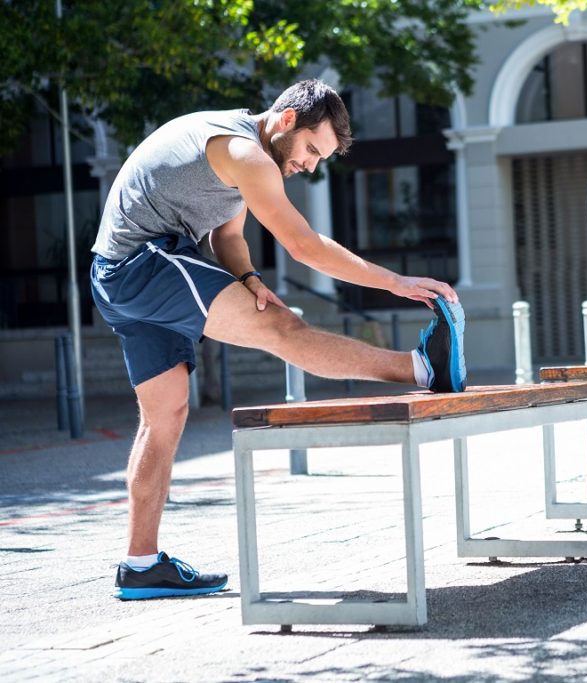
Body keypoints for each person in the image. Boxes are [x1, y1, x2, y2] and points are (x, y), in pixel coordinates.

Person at [89, 79, 466, 600]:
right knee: (283, 329)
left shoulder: (243, 147)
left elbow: (229, 237)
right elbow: (302, 246)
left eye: (321, 158)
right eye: (312, 150)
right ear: (286, 120)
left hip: (120, 273)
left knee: (165, 416)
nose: (310, 166)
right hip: (144, 262)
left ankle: (140, 564)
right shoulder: (247, 154)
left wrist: (246, 278)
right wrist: (395, 282)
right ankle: (422, 368)